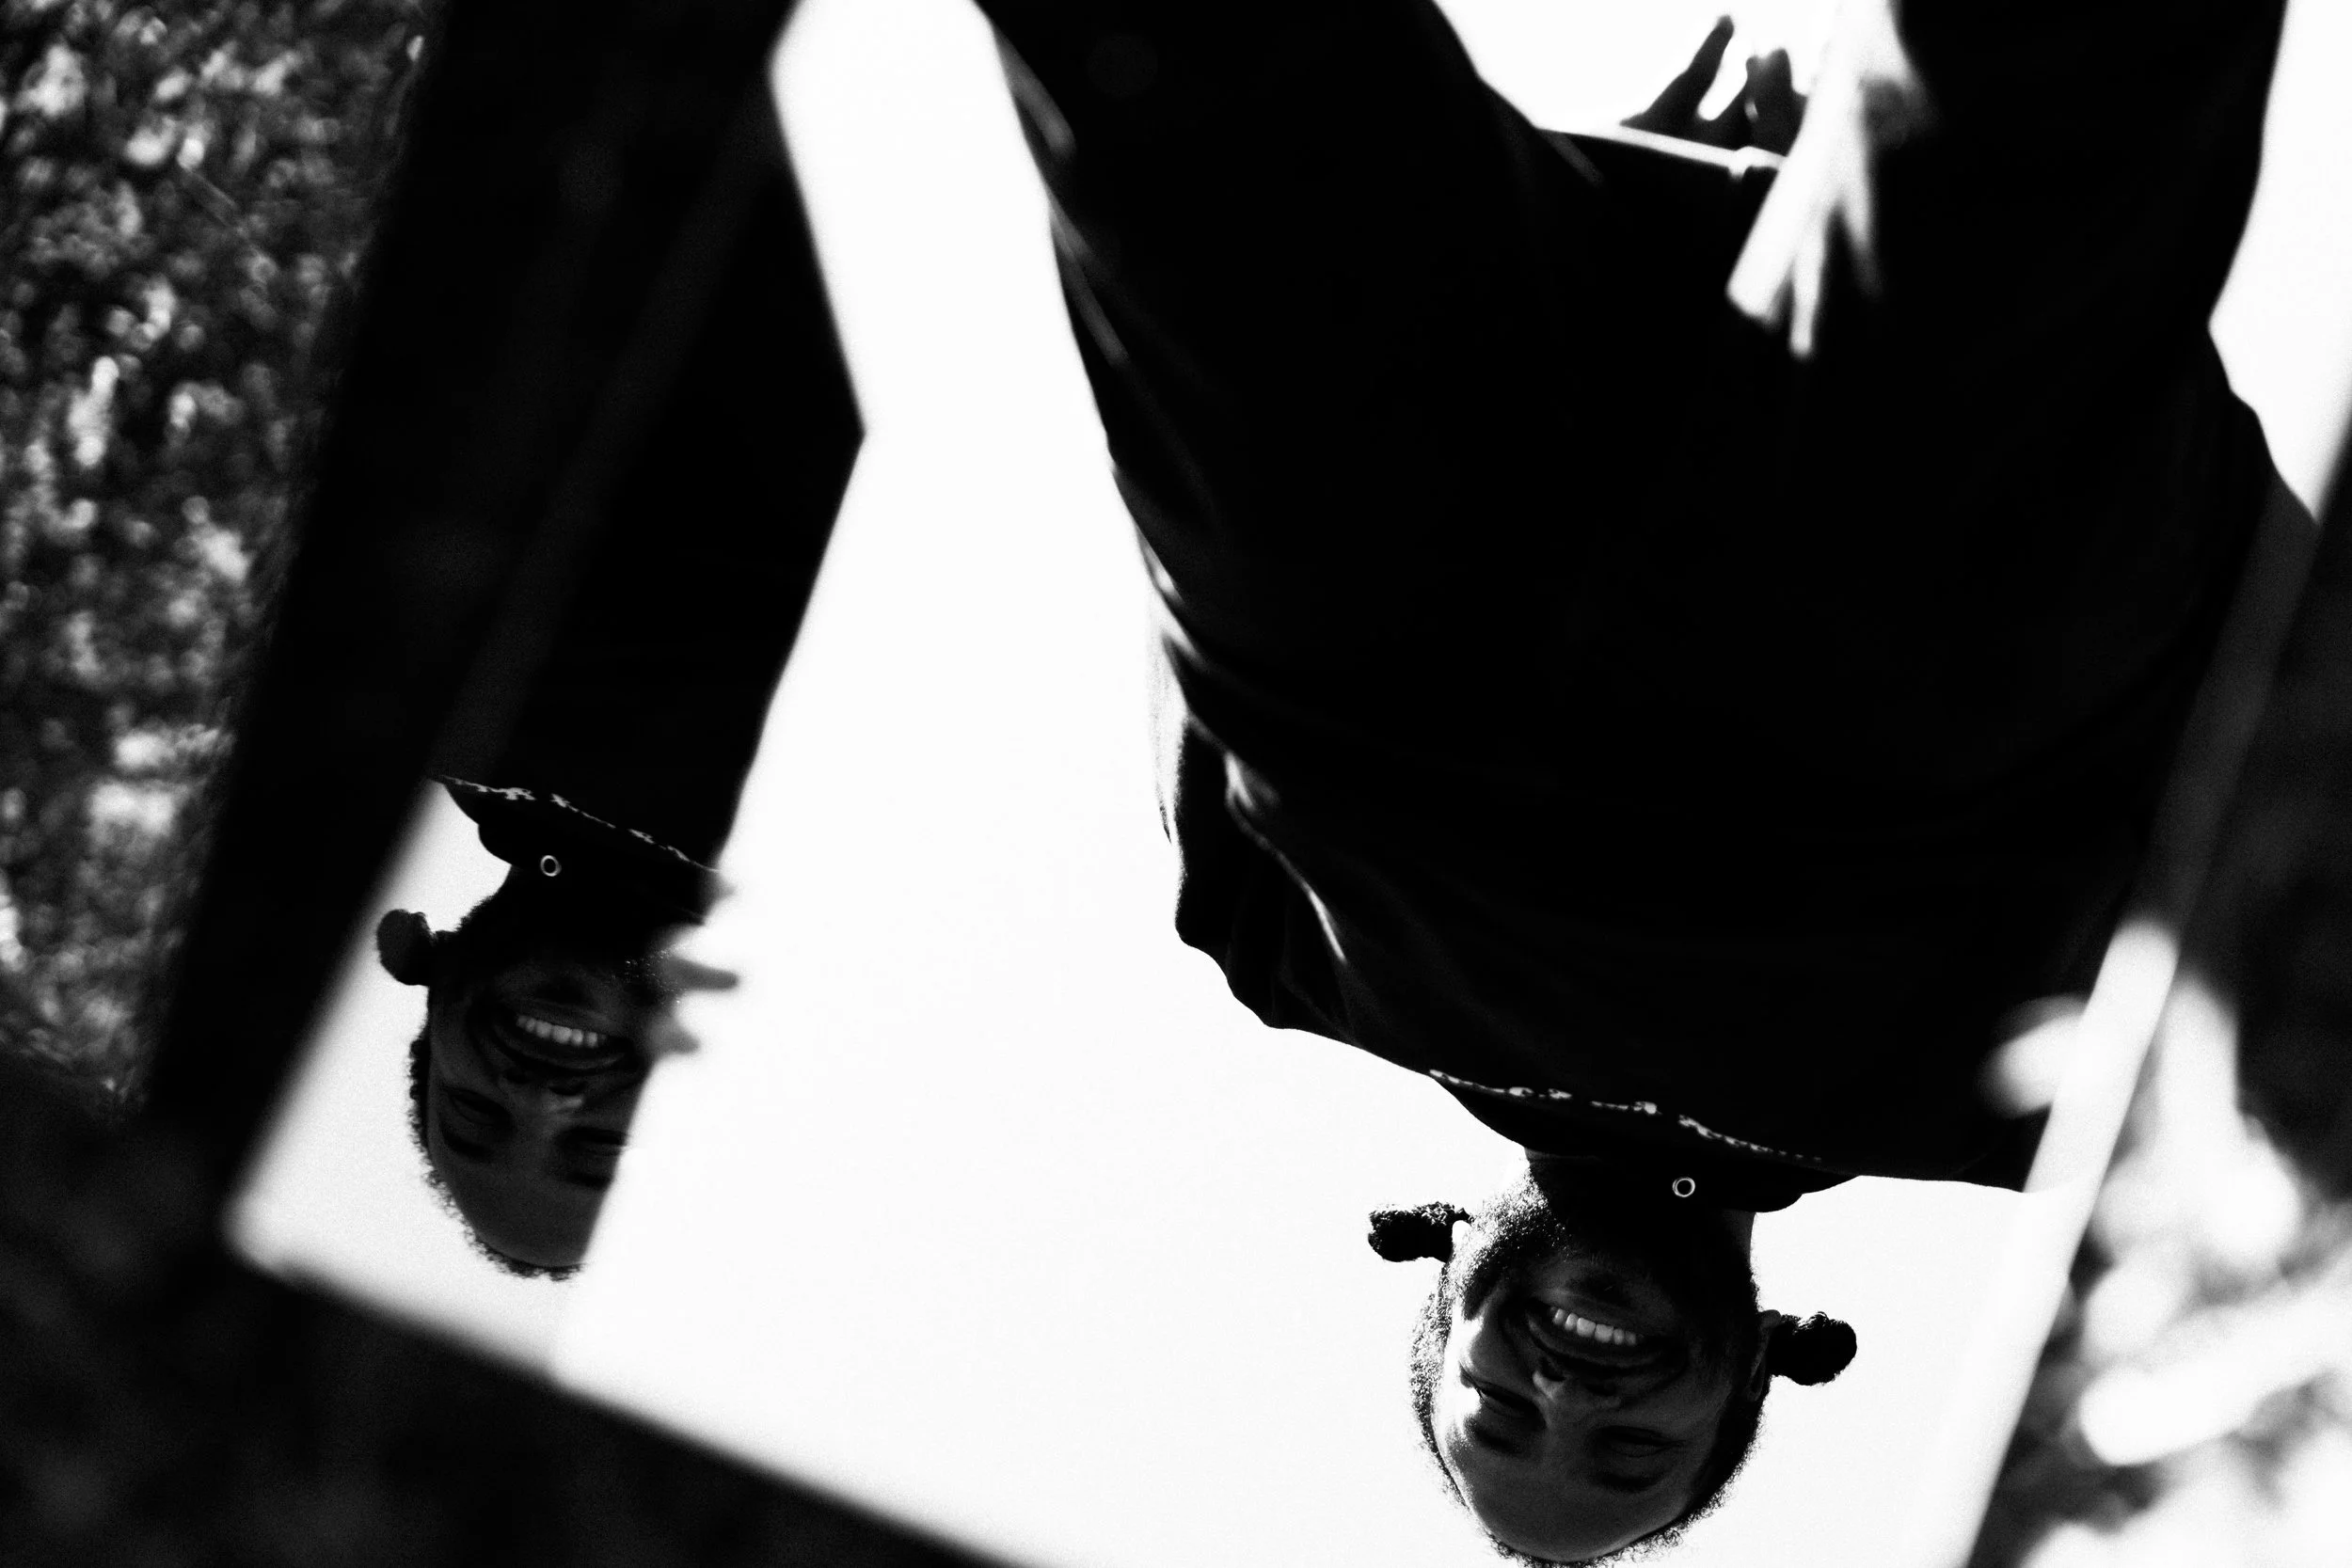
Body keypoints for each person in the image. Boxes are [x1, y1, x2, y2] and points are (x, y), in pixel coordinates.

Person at [950, 0, 2289, 1556]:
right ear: (1762, 1378)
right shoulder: (2055, 1125)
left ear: (1442, 1286)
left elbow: (1204, 652)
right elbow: (2254, 810)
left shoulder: (1277, 959)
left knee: (1187, 137)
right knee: (2058, 117)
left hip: (1397, 622)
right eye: (1631, 1451)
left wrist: (1671, 242)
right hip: (1899, 649)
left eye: (1497, 1412)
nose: (1569, 1401)